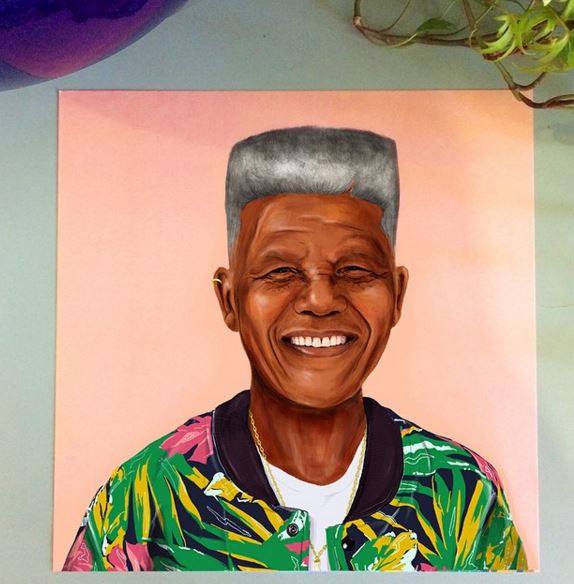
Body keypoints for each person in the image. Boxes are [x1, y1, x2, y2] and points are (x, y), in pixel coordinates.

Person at [63, 126, 528, 572]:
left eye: (356, 270)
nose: (321, 301)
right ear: (229, 300)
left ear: (397, 295)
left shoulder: (463, 493)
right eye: (280, 272)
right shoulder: (144, 499)